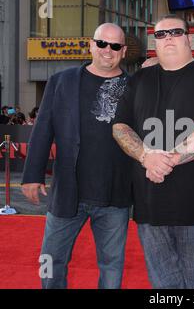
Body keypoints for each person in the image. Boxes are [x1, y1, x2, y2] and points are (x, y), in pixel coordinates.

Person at [113, 14, 194, 288]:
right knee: (164, 288)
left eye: (175, 32)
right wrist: (146, 157)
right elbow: (119, 127)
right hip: (149, 210)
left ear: (189, 38)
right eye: (160, 34)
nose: (168, 38)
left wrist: (169, 159)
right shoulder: (138, 80)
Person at [21, 23, 133, 289]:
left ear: (124, 51)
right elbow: (43, 129)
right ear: (91, 45)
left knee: (112, 266)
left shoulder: (134, 86)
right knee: (50, 260)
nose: (108, 50)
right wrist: (31, 176)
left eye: (115, 46)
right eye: (102, 43)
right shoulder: (62, 81)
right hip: (68, 192)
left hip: (114, 195)